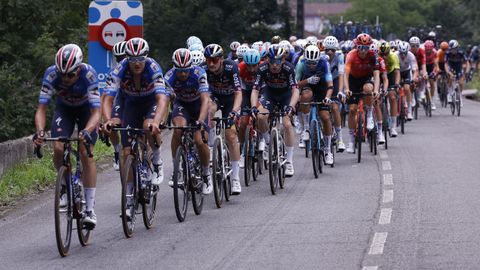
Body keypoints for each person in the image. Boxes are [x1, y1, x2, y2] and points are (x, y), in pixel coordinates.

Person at [34, 44, 101, 227]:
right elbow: (41, 109)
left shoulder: (89, 75)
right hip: (65, 111)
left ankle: (90, 209)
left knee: (85, 153)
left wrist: (87, 130)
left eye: (70, 75)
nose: (65, 78)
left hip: (87, 112)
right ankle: (65, 184)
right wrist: (40, 132)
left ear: (78, 68)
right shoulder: (51, 74)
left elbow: (97, 112)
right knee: (58, 146)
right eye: (62, 74)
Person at [103, 38, 167, 197]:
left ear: (146, 57)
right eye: (132, 59)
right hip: (130, 103)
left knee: (148, 126)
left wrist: (157, 122)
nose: (137, 63)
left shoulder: (153, 67)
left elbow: (162, 99)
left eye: (140, 59)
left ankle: (157, 162)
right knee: (126, 153)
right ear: (127, 58)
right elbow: (108, 99)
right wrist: (108, 120)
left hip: (150, 101)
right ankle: (130, 193)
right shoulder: (119, 69)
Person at [163, 48, 213, 194]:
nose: (183, 74)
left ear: (191, 67)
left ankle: (206, 174)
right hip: (182, 105)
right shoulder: (169, 76)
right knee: (178, 129)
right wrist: (162, 120)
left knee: (199, 141)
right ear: (174, 67)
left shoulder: (199, 73)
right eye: (180, 71)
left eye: (186, 70)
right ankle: (176, 169)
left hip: (199, 106)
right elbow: (164, 101)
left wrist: (201, 120)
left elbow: (205, 99)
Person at [251, 44, 299, 176]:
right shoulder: (262, 68)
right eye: (271, 61)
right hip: (270, 94)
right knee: (261, 117)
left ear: (283, 60)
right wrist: (254, 106)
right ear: (267, 60)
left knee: (287, 124)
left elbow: (295, 90)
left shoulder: (289, 68)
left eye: (277, 62)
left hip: (286, 95)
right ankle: (268, 143)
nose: (274, 65)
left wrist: (291, 105)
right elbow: (255, 90)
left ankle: (289, 162)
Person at [202, 44, 243, 195]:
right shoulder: (204, 70)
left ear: (220, 59)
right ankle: (212, 146)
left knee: (231, 136)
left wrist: (235, 111)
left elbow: (239, 93)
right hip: (215, 98)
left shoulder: (230, 67)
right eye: (208, 60)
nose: (211, 63)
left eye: (214, 60)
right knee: (209, 108)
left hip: (231, 100)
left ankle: (235, 178)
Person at [295, 45, 335, 164]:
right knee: (305, 97)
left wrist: (327, 98)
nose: (311, 65)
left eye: (314, 63)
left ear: (318, 60)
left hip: (322, 87)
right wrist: (307, 80)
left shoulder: (324, 63)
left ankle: (328, 150)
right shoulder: (301, 63)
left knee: (325, 117)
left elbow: (330, 85)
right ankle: (306, 129)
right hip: (307, 85)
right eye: (309, 63)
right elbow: (295, 85)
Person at [344, 33, 381, 153]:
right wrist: (347, 89)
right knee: (352, 110)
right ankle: (351, 141)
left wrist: (376, 90)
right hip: (353, 80)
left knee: (369, 90)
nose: (363, 51)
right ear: (356, 47)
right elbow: (345, 74)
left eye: (366, 48)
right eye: (361, 48)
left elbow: (376, 75)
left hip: (366, 78)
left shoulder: (373, 55)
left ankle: (369, 114)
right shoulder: (351, 55)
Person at [101, 41, 126, 171]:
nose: (121, 61)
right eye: (118, 58)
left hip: (138, 100)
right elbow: (105, 96)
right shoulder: (114, 73)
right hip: (120, 101)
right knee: (113, 125)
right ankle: (117, 151)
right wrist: (105, 120)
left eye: (124, 57)